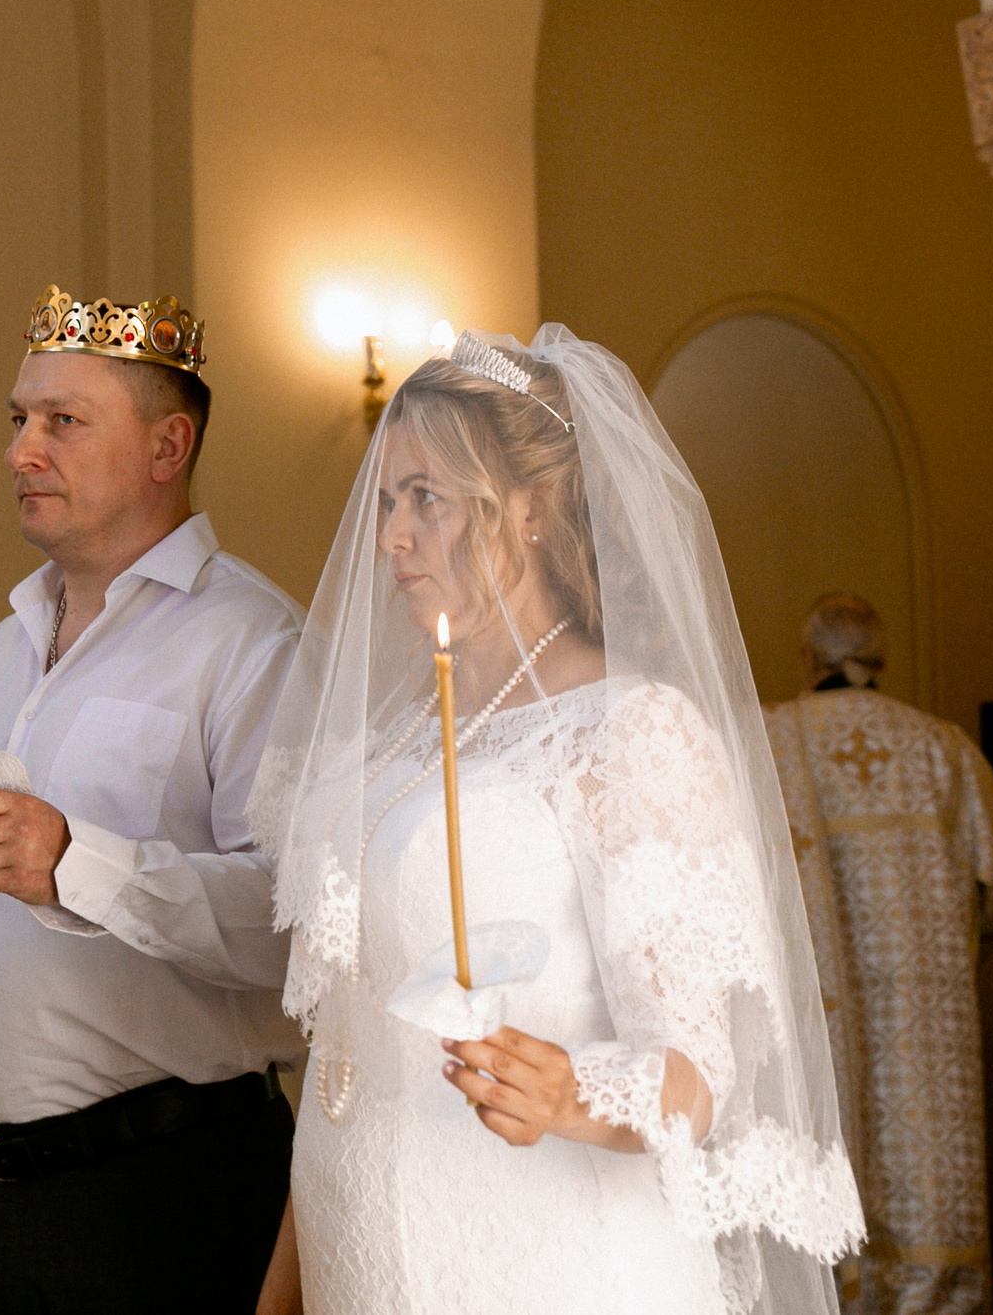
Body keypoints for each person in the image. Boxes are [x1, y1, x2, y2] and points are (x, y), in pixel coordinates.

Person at [250, 328, 864, 1315]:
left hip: (536, 1255)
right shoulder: (389, 745)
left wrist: (570, 1091)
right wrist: (283, 1288)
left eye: (427, 499)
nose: (392, 538)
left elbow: (697, 1068)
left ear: (529, 507)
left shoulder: (630, 728)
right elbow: (345, 1053)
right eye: (385, 501)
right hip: (355, 1247)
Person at [0, 287, 306, 1314]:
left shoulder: (251, 643)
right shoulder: (1, 648)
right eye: (19, 419)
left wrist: (73, 860)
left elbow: (295, 924)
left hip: (168, 1195)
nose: (24, 450)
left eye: (63, 422)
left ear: (168, 446)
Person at [766, 595, 993, 1315]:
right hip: (928, 1019)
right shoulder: (938, 748)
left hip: (817, 1018)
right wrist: (962, 949)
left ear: (807, 657)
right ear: (878, 657)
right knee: (924, 1167)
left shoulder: (770, 742)